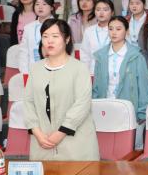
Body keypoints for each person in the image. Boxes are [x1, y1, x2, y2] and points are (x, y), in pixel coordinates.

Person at [22, 19, 99, 161]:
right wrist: (37, 132)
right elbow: (28, 102)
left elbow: (82, 104)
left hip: (75, 145)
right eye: (45, 36)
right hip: (42, 143)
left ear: (67, 39)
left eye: (55, 36)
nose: (49, 41)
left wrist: (60, 133)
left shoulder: (79, 68)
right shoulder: (35, 68)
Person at [92, 16, 148, 120]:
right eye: (110, 29)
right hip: (104, 109)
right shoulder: (100, 56)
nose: (114, 32)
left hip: (128, 110)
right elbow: (96, 86)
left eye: (118, 29)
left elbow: (143, 87)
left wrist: (142, 113)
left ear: (127, 31)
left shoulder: (136, 56)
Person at [17, 0, 57, 76]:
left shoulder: (59, 26)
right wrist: (25, 72)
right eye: (37, 4)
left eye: (44, 4)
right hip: (33, 71)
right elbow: (24, 52)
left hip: (55, 71)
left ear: (52, 7)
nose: (40, 7)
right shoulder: (28, 27)